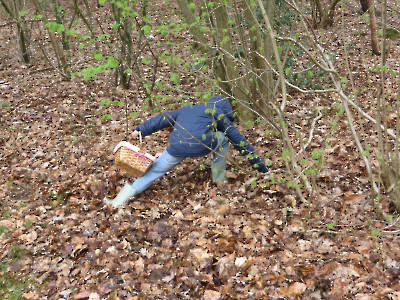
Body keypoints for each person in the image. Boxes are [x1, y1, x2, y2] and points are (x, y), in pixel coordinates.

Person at [105, 95, 268, 207]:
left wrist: (140, 130)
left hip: (176, 146)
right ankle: (219, 178)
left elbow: (162, 119)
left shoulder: (187, 109)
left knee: (154, 170)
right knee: (223, 137)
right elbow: (238, 139)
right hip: (201, 144)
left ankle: (118, 201)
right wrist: (260, 166)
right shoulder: (217, 113)